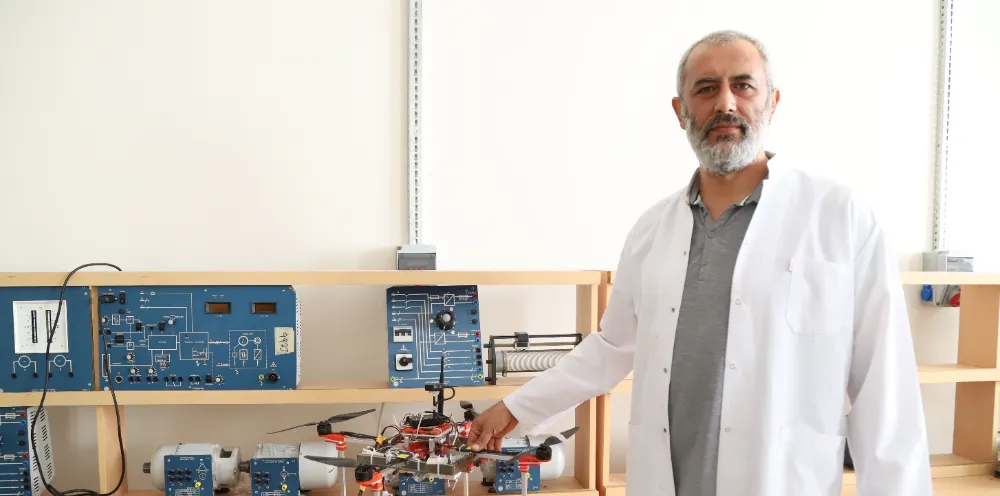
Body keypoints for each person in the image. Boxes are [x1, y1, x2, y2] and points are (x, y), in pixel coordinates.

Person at [466, 30, 933, 496]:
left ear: (771, 102)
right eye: (706, 89)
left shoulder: (839, 216)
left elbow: (885, 389)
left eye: (743, 85)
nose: (725, 102)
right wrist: (517, 408)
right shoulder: (651, 231)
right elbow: (611, 348)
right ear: (680, 111)